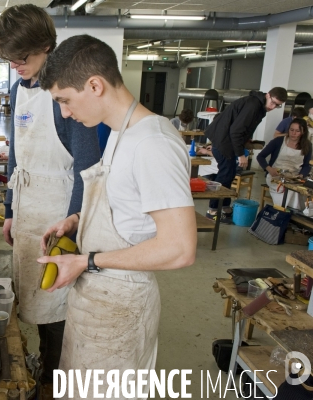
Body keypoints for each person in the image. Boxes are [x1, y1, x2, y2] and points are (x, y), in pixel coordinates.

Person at [38, 34, 196, 399]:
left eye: (64, 100)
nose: (64, 112)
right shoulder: (119, 133)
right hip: (97, 296)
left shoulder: (153, 143)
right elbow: (125, 207)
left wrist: (88, 260)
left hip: (122, 304)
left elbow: (179, 249)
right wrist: (76, 220)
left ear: (94, 85)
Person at [0, 6, 101, 396]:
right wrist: (9, 211)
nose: (16, 65)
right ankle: (45, 365)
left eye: (24, 58)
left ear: (47, 47)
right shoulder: (18, 87)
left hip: (57, 210)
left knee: (56, 303)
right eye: (9, 58)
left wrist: (73, 222)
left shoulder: (64, 94)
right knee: (31, 301)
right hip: (27, 207)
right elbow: (16, 153)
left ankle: (54, 379)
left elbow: (87, 170)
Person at [203, 86, 287, 222]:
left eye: (277, 105)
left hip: (225, 139)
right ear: (268, 95)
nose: (273, 107)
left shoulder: (259, 106)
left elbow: (241, 128)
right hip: (224, 141)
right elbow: (236, 131)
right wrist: (240, 154)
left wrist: (247, 140)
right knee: (225, 175)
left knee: (228, 174)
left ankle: (224, 208)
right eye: (273, 102)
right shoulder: (253, 105)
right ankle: (213, 210)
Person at [257, 118, 312, 208]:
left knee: (300, 192)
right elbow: (260, 156)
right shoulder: (278, 141)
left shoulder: (307, 145)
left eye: (297, 131)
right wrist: (269, 169)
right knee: (288, 192)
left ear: (303, 132)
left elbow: (306, 165)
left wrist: (301, 175)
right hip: (276, 177)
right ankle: (284, 213)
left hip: (294, 178)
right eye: (291, 130)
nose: (293, 133)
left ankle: (293, 217)